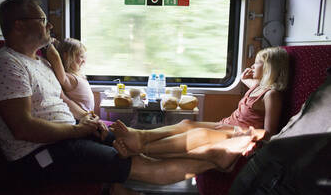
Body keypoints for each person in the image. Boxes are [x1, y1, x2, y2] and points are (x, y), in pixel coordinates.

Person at [0, 0, 261, 195]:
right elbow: (23, 127)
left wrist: (88, 119)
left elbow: (62, 101)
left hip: (67, 137)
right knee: (142, 166)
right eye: (42, 20)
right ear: (18, 25)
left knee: (138, 149)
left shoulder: (38, 62)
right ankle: (218, 161)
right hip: (37, 157)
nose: (49, 25)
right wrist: (78, 130)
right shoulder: (6, 66)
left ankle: (215, 155)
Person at [111, 47, 289, 158]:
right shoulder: (257, 86)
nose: (252, 65)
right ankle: (141, 135)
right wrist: (244, 78)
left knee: (195, 136)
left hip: (237, 133)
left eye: (257, 63)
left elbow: (269, 133)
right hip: (225, 124)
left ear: (268, 68)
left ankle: (140, 149)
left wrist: (240, 134)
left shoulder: (271, 95)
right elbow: (248, 82)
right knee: (186, 123)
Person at [45, 37, 137, 195]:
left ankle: (117, 186)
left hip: (89, 118)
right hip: (81, 122)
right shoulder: (69, 78)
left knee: (124, 137)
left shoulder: (77, 76)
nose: (84, 60)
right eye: (80, 56)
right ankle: (117, 188)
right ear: (67, 57)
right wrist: (50, 48)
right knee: (121, 143)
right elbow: (59, 69)